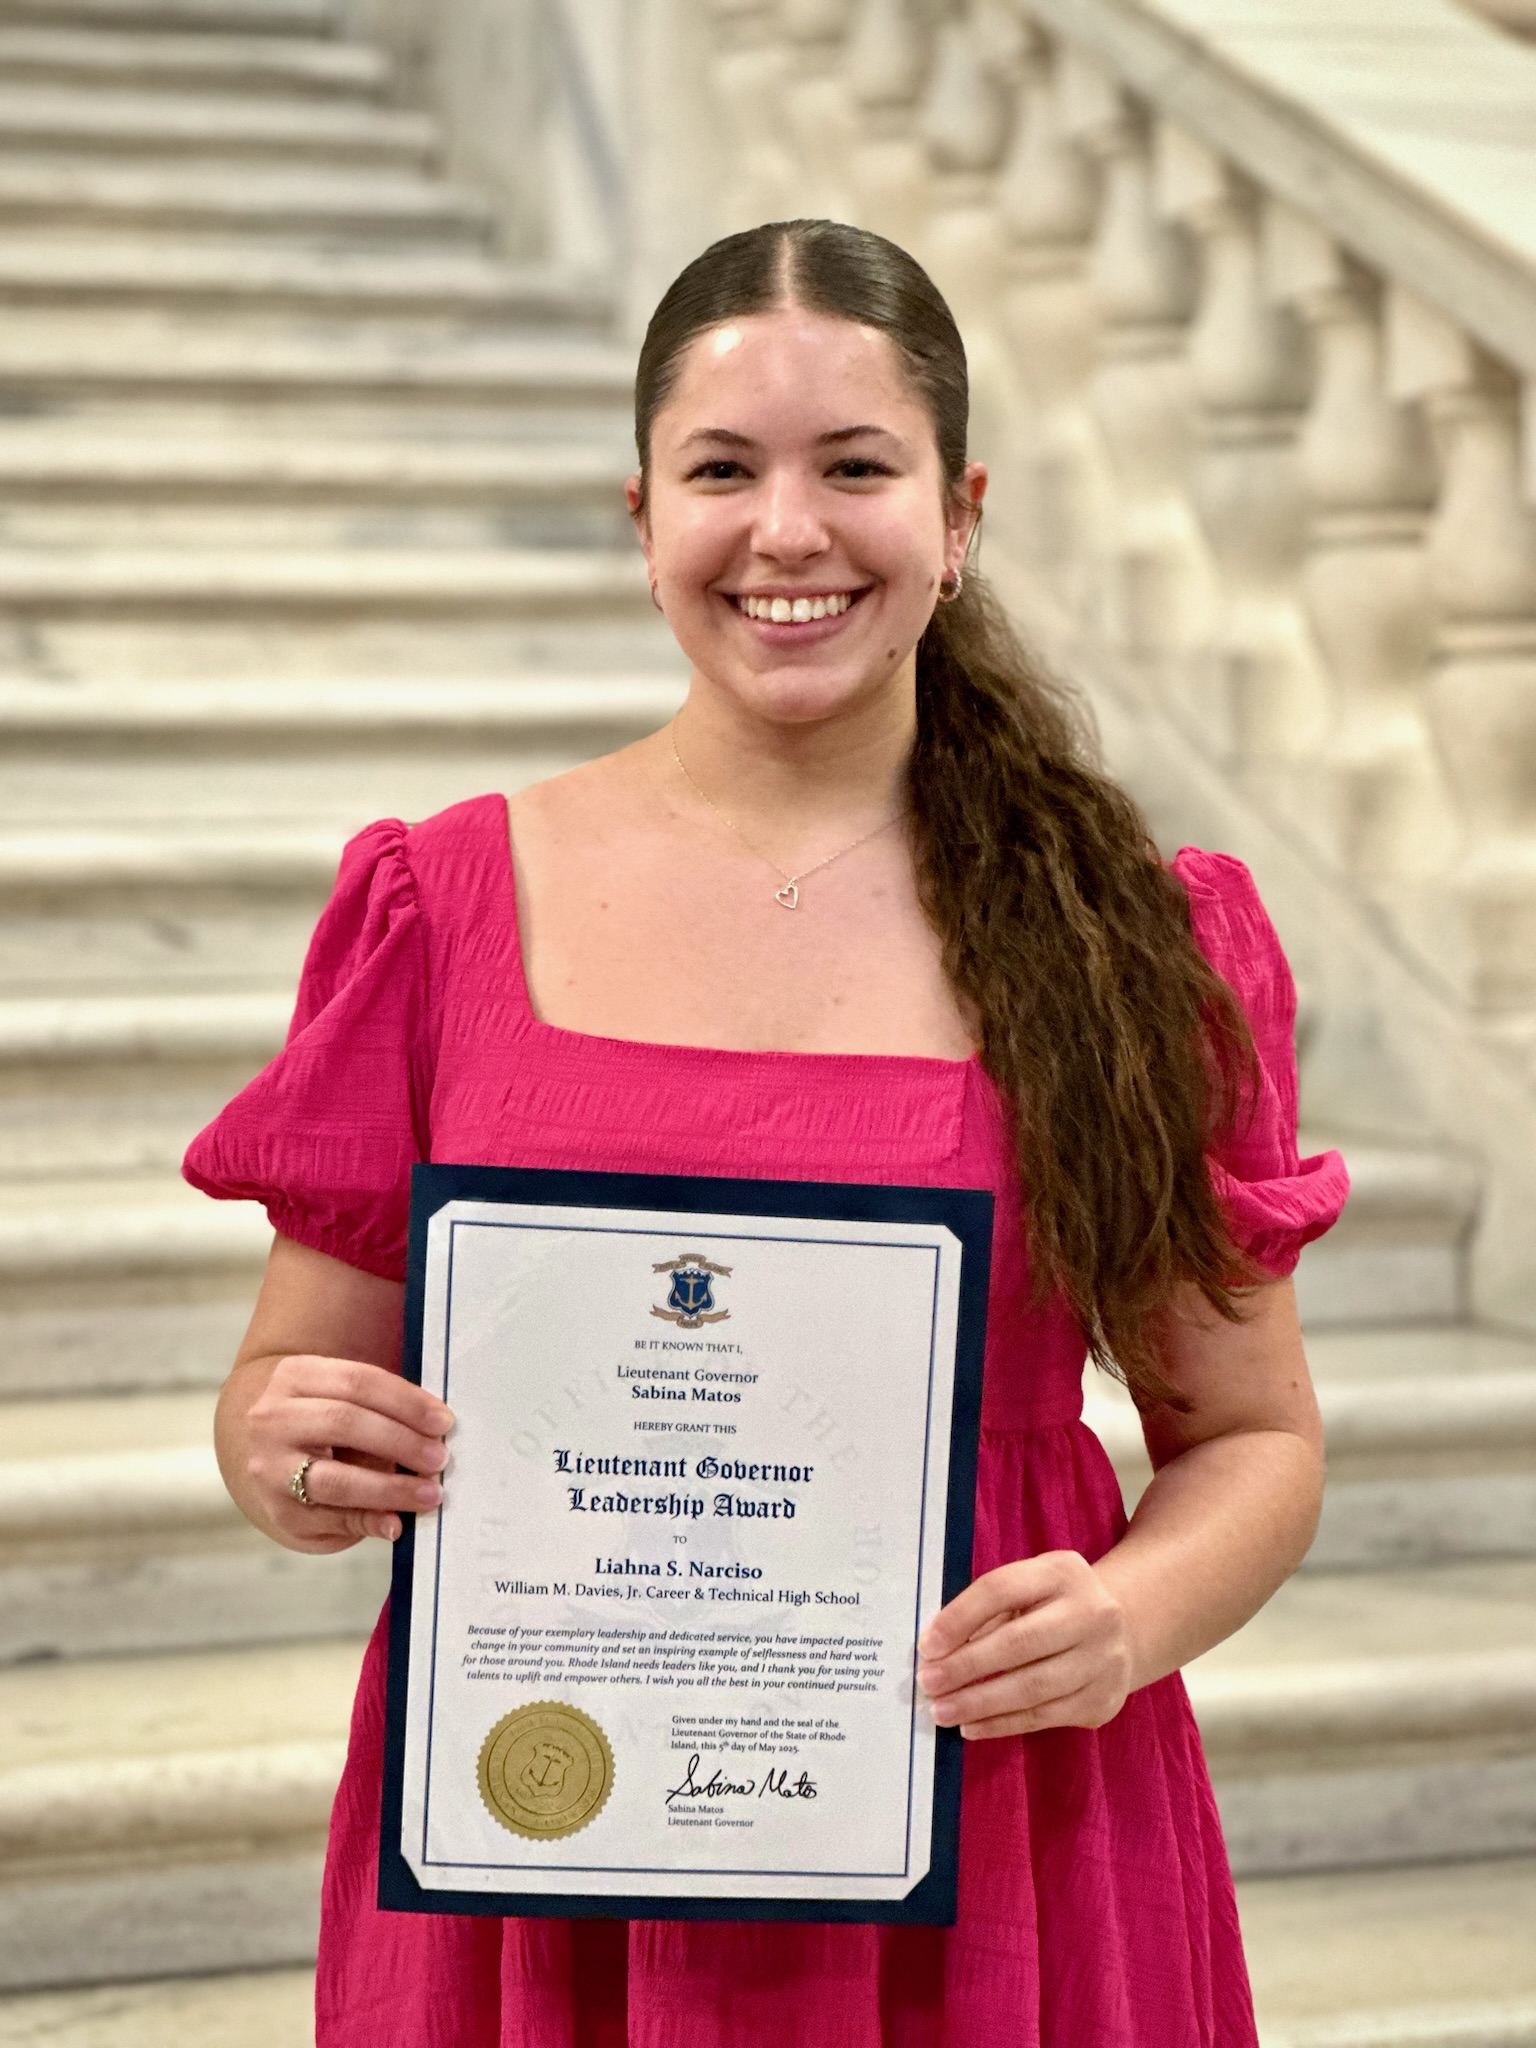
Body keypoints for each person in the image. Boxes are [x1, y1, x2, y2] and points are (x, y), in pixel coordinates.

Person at [185, 218, 1348, 2048]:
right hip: (547, 1829)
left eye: (856, 467)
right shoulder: (447, 901)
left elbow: (1257, 1441)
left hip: (996, 1824)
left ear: (957, 515)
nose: (786, 531)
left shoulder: (1135, 931)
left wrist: (1126, 1621)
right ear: (639, 515)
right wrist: (288, 1448)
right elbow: (284, 1399)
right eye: (721, 469)